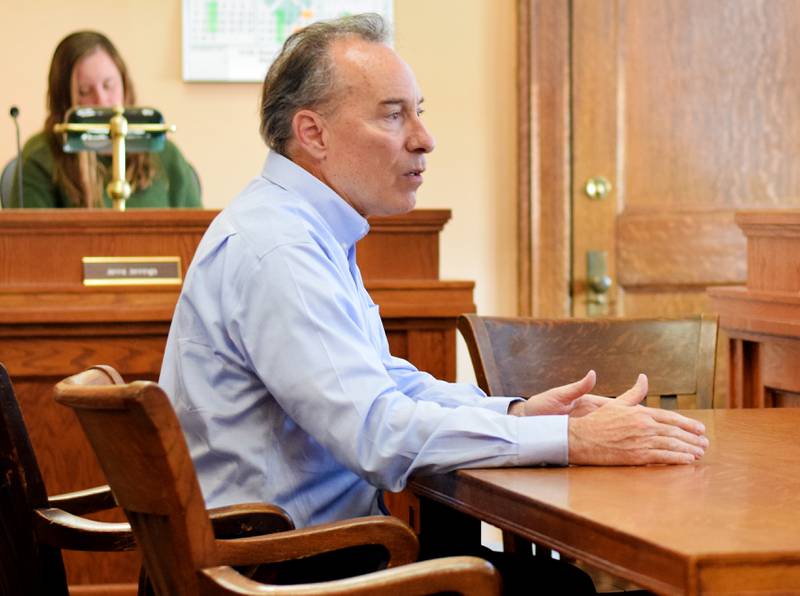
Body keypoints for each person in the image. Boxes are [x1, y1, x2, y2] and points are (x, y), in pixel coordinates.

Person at [159, 13, 707, 593]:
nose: (424, 138)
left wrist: (518, 414)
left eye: (418, 111)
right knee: (559, 588)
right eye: (393, 115)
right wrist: (574, 440)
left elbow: (383, 383)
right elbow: (376, 431)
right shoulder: (279, 248)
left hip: (295, 555)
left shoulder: (297, 227)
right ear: (313, 133)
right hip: (282, 574)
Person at [10, 30, 201, 209]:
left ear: (125, 85)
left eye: (109, 85)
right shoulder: (41, 157)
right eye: (85, 91)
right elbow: (28, 241)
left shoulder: (164, 153)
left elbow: (199, 237)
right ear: (64, 99)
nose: (101, 100)